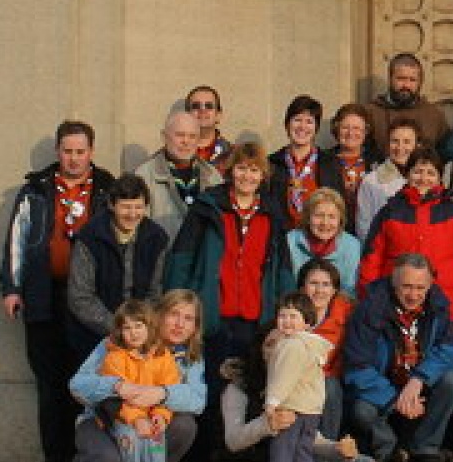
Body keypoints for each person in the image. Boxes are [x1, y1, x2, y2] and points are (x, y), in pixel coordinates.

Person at [217, 325, 453, 462]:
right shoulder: (239, 389)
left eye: (288, 344)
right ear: (259, 351)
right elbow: (233, 441)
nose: (280, 350)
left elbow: (309, 439)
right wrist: (266, 425)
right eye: (271, 344)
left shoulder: (297, 387)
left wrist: (335, 448)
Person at [0, 119, 116, 462]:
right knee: (50, 382)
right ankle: (54, 459)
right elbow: (17, 241)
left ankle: (87, 457)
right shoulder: (36, 190)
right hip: (43, 294)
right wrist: (11, 288)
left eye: (80, 151)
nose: (74, 158)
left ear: (91, 152)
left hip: (90, 297)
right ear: (57, 152)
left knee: (87, 379)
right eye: (67, 151)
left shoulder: (107, 189)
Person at [66, 290, 206, 462]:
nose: (180, 324)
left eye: (188, 318)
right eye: (174, 314)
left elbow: (197, 399)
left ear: (195, 326)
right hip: (107, 419)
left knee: (184, 426)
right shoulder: (118, 343)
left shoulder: (190, 357)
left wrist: (162, 394)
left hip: (153, 419)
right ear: (158, 316)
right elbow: (78, 385)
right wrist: (116, 386)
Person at [165, 141, 286, 377]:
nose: (247, 176)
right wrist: (173, 306)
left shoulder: (272, 214)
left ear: (262, 175)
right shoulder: (207, 207)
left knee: (246, 385)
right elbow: (182, 259)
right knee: (209, 383)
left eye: (254, 170)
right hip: (211, 313)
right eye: (242, 168)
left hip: (254, 318)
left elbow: (282, 268)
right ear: (231, 170)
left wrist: (283, 311)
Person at [343, 255, 453, 462]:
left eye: (420, 288)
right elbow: (357, 367)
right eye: (407, 287)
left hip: (418, 384)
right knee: (362, 410)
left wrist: (419, 379)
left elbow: (450, 351)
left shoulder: (437, 306)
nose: (413, 295)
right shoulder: (369, 309)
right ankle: (388, 448)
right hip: (383, 389)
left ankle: (425, 448)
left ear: (430, 285)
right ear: (394, 283)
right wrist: (395, 399)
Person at [358, 147, 453, 323]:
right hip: (395, 305)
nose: (423, 178)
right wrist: (371, 299)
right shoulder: (389, 212)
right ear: (407, 175)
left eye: (430, 173)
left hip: (447, 306)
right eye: (418, 171)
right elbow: (371, 261)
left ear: (440, 178)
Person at [66, 173, 171, 356]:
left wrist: (137, 329)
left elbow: (156, 291)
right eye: (125, 207)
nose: (132, 214)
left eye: (138, 207)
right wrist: (119, 328)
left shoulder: (157, 238)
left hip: (142, 336)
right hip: (94, 335)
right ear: (112, 205)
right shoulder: (90, 237)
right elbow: (80, 297)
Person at [249, 292, 334, 462]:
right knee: (302, 452)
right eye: (282, 316)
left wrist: (272, 402)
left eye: (293, 316)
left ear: (307, 321)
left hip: (291, 407)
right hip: (311, 410)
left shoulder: (292, 345)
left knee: (282, 453)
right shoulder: (310, 345)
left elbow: (283, 377)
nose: (287, 321)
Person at [97, 299, 179, 462]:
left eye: (138, 326)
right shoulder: (114, 359)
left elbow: (167, 390)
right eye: (127, 328)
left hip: (150, 414)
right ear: (120, 331)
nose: (133, 333)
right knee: (131, 440)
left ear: (149, 327)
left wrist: (160, 415)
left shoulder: (162, 356)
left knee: (156, 438)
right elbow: (115, 399)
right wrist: (137, 419)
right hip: (122, 416)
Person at [135, 109, 224, 244]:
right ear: (164, 137)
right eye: (180, 135)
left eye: (192, 136)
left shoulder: (213, 176)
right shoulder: (144, 176)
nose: (186, 141)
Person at [268, 94, 341, 230]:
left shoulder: (330, 164)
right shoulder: (272, 163)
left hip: (320, 235)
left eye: (309, 121)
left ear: (316, 128)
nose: (302, 127)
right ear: (287, 124)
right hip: (282, 237)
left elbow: (339, 209)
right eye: (297, 120)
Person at [299, 258, 354, 441]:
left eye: (326, 284)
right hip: (299, 377)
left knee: (329, 387)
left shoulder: (348, 314)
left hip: (333, 378)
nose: (319, 290)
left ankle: (328, 447)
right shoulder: (290, 311)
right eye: (313, 283)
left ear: (334, 289)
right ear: (302, 287)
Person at [282, 187, 362, 300]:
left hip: (337, 307)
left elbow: (349, 292)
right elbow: (286, 289)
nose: (325, 223)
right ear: (308, 218)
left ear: (340, 220)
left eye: (332, 217)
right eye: (319, 215)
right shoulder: (290, 242)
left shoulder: (352, 246)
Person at [367, 53, 448, 158]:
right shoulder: (371, 113)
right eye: (401, 79)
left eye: (412, 80)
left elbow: (444, 156)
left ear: (420, 82)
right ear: (390, 79)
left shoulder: (434, 116)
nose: (406, 85)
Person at [354, 119, 420, 240]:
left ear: (417, 145)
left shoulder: (426, 179)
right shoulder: (371, 181)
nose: (400, 147)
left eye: (406, 142)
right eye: (395, 141)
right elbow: (363, 227)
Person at [329, 102, 379, 218]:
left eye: (357, 128)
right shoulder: (324, 160)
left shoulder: (378, 159)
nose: (351, 133)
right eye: (345, 128)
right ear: (336, 129)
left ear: (366, 131)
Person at [185, 85, 233, 173]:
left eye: (209, 106)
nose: (202, 110)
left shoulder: (233, 155)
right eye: (196, 106)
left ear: (218, 115)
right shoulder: (170, 155)